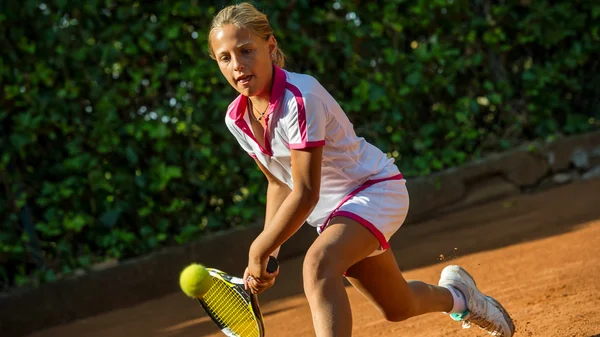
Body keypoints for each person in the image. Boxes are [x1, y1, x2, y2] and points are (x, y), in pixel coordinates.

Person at [207, 2, 515, 337]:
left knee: (318, 266)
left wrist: (258, 249)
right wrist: (271, 251)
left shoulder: (300, 97)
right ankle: (460, 297)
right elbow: (278, 184)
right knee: (398, 307)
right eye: (225, 57)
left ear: (270, 45)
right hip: (334, 218)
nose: (237, 65)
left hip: (374, 191)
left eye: (246, 50)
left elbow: (306, 192)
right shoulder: (236, 118)